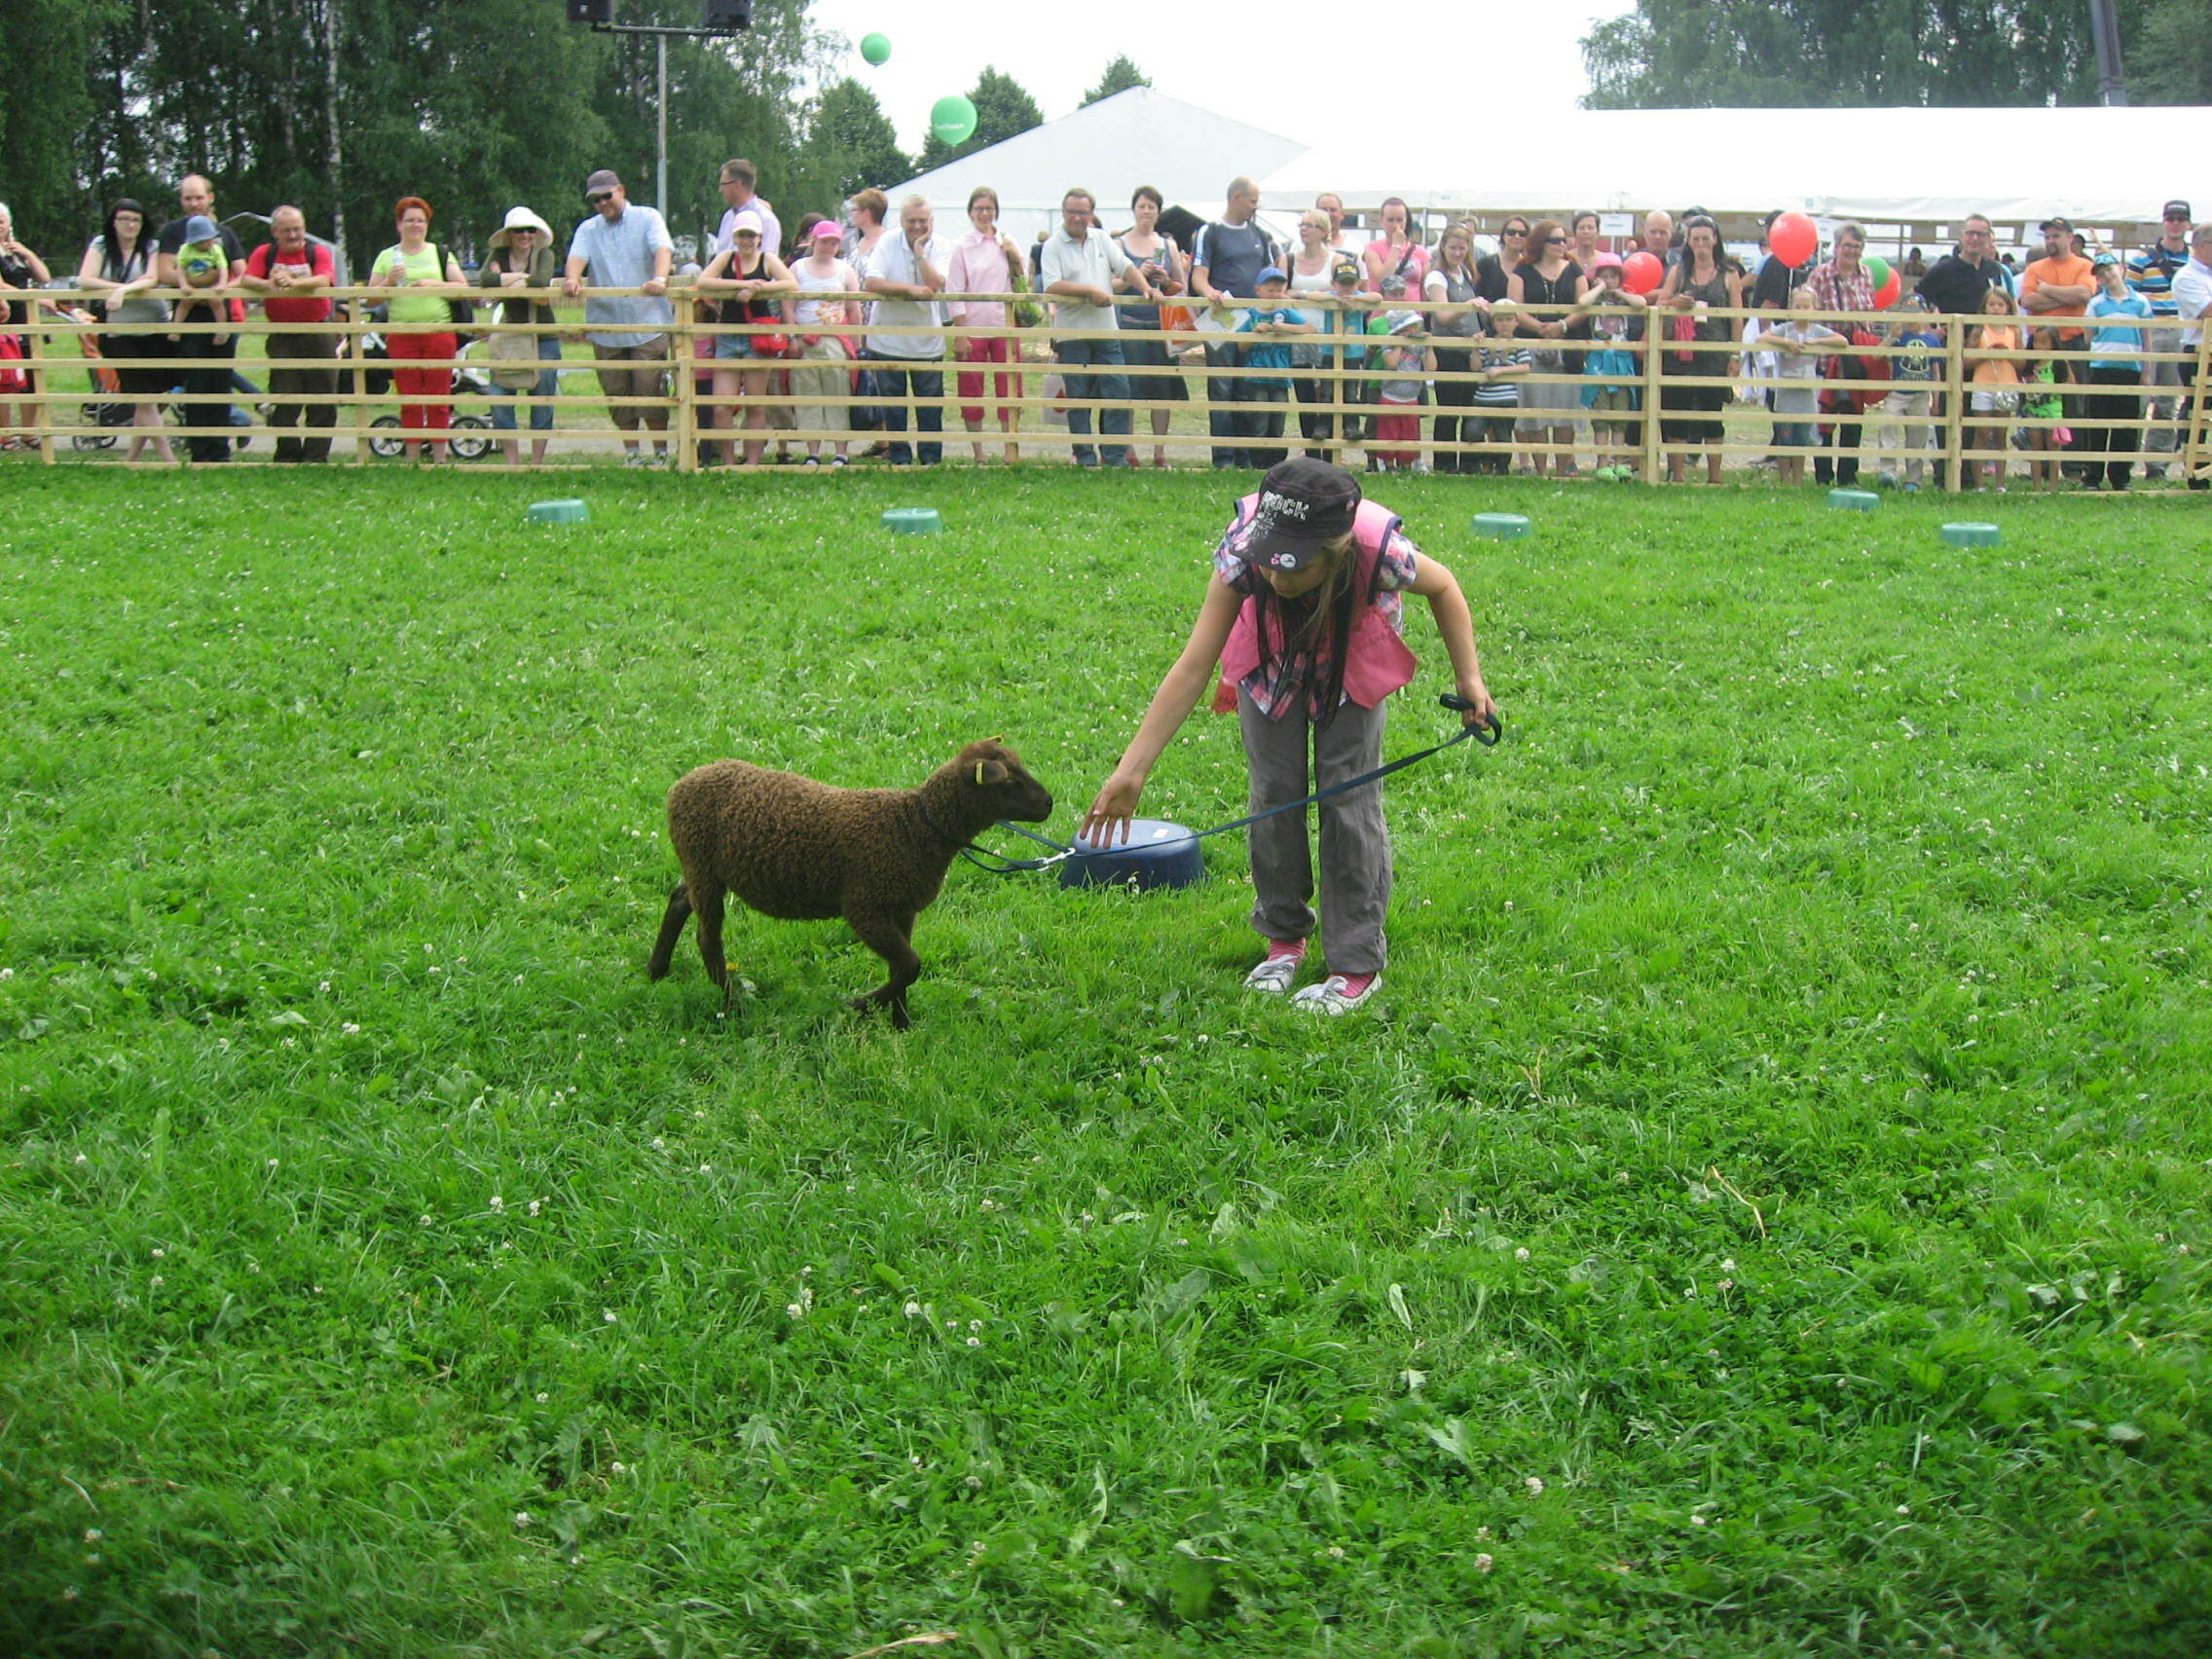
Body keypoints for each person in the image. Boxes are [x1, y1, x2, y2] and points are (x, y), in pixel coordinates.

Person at [1082, 459, 1498, 1015]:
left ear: (1336, 551)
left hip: (1352, 665)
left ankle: (1355, 963)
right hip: (1270, 662)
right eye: (1270, 563)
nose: (1277, 578)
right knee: (1274, 793)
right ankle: (1284, 939)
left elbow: (1444, 586)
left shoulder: (1379, 552)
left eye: (1295, 567)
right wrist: (1131, 770)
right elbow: (1194, 664)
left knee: (1346, 798)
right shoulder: (1242, 552)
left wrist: (1470, 680)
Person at [562, 168, 675, 466]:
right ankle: (632, 454)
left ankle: (662, 453)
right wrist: (572, 279)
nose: (602, 203)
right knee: (616, 391)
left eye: (606, 196)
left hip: (648, 322)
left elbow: (662, 248)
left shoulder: (648, 218)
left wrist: (660, 278)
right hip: (606, 325)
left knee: (649, 389)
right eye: (595, 200)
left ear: (621, 191)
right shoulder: (588, 229)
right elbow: (576, 258)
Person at [1040, 186, 1156, 469]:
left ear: (1091, 214)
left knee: (1118, 392)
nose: (1076, 218)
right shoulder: (1052, 245)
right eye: (1071, 212)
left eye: (1082, 212)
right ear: (1063, 212)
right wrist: (1090, 292)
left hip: (1106, 332)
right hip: (1072, 335)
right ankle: (1085, 457)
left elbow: (1126, 266)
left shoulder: (1102, 239)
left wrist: (1146, 288)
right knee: (1078, 398)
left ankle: (1114, 457)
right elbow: (1052, 284)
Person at [1189, 176, 1279, 468]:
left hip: (1253, 318)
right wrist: (1209, 292)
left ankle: (1246, 455)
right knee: (1222, 386)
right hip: (1221, 317)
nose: (1256, 206)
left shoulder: (1260, 235)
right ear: (1236, 197)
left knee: (1248, 385)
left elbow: (1270, 273)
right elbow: (1198, 273)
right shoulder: (1210, 231)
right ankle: (1224, 456)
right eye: (1253, 200)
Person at [156, 175, 246, 461]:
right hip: (189, 318)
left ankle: (220, 450)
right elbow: (165, 271)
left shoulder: (224, 233)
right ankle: (199, 449)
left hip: (221, 316)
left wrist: (218, 289)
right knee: (196, 382)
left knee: (219, 382)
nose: (194, 204)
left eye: (198, 197)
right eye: (187, 198)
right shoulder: (173, 232)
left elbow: (241, 272)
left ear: (211, 197)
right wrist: (200, 286)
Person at [370, 197, 467, 462]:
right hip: (402, 336)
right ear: (399, 224)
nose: (416, 225)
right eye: (410, 220)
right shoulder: (387, 256)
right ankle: (412, 457)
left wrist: (433, 284)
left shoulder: (440, 253)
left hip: (438, 333)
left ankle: (439, 457)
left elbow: (462, 289)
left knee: (439, 397)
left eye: (421, 220)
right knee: (409, 397)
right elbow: (370, 298)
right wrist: (389, 281)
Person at [76, 201, 173, 463]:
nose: (130, 225)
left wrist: (122, 291)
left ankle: (132, 459)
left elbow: (151, 279)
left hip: (154, 328)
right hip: (119, 332)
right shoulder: (100, 245)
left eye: (136, 220)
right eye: (124, 219)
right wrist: (119, 286)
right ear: (114, 221)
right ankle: (169, 460)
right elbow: (85, 279)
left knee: (148, 398)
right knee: (144, 399)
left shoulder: (151, 246)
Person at [239, 204, 337, 462]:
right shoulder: (265, 253)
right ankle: (287, 453)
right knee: (284, 395)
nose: (293, 236)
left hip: (318, 331)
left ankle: (316, 456)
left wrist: (294, 284)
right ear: (275, 231)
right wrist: (267, 284)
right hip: (282, 334)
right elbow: (247, 280)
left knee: (323, 396)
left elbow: (323, 280)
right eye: (287, 231)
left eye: (298, 229)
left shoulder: (317, 252)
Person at [860, 194, 950, 467]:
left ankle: (930, 460)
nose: (917, 226)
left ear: (931, 221)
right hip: (887, 340)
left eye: (923, 221)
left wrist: (920, 252)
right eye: (912, 221)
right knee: (893, 405)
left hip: (927, 341)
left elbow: (935, 284)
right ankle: (899, 458)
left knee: (930, 406)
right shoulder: (887, 241)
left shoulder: (943, 244)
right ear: (901, 220)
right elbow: (872, 282)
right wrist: (911, 291)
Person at [697, 221, 795, 466]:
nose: (747, 240)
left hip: (757, 337)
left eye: (751, 235)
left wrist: (759, 288)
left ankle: (752, 463)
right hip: (728, 335)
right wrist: (742, 285)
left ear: (759, 237)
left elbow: (791, 283)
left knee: (755, 404)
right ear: (735, 237)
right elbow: (704, 281)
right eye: (742, 235)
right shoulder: (726, 258)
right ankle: (729, 463)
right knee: (722, 405)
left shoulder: (767, 259)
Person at [1654, 215, 1741, 485]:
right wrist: (1675, 301)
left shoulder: (1729, 274)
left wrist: (1735, 354)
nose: (1701, 244)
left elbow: (1737, 317)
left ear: (1715, 239)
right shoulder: (1678, 271)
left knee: (1712, 414)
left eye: (1706, 238)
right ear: (1688, 242)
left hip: (1714, 355)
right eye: (1696, 239)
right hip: (1680, 354)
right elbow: (1659, 303)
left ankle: (1715, 477)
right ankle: (1677, 475)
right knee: (1677, 414)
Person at [945, 185, 1024, 465]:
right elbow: (953, 290)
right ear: (970, 212)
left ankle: (1009, 449)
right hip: (973, 326)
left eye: (989, 208)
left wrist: (1014, 256)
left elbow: (1021, 279)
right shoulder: (961, 246)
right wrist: (960, 332)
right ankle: (978, 452)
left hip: (1004, 325)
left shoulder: (1006, 240)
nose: (984, 213)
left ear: (996, 211)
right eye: (979, 208)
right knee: (971, 388)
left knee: (1010, 388)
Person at [477, 205, 562, 465]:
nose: (525, 235)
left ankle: (536, 463)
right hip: (510, 333)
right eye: (518, 231)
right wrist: (522, 278)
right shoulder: (498, 253)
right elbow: (484, 279)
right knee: (500, 397)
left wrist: (505, 281)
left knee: (542, 397)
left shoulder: (544, 254)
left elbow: (541, 281)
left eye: (529, 230)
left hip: (543, 335)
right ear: (509, 235)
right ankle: (512, 463)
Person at [1116, 185, 1188, 469]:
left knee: (1162, 392)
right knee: (1128, 390)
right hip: (1129, 325)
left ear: (1159, 212)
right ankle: (1129, 451)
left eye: (1152, 207)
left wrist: (1164, 280)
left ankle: (1160, 452)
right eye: (1142, 206)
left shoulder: (1168, 245)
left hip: (1162, 327)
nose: (1146, 212)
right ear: (1133, 209)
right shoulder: (1119, 244)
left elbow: (1180, 286)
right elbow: (1112, 285)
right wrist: (1137, 277)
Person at [1508, 219, 1586, 478]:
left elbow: (1582, 306)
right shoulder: (1522, 271)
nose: (1561, 245)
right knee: (1536, 411)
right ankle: (1541, 471)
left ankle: (1562, 470)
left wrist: (1562, 326)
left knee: (1565, 412)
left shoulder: (1574, 270)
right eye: (1555, 240)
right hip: (1532, 348)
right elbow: (1515, 308)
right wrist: (1541, 328)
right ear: (1541, 242)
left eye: (1564, 239)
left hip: (1568, 349)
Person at [2021, 215, 2095, 475]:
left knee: (2074, 401)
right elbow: (2028, 301)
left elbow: (2085, 295)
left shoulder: (2084, 265)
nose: (2051, 241)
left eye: (2056, 236)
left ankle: (2073, 466)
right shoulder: (2035, 267)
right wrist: (2067, 299)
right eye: (2047, 236)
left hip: (2073, 341)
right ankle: (2040, 467)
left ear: (2070, 238)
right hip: (2040, 343)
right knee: (2038, 401)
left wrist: (2049, 289)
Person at [1804, 223, 1876, 485]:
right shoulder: (1820, 275)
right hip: (1826, 357)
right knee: (1824, 417)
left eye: (1856, 246)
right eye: (1847, 245)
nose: (1851, 251)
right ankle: (1823, 475)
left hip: (1855, 359)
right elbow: (1807, 314)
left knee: (1853, 417)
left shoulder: (1867, 274)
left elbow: (1870, 315)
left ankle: (1848, 474)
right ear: (1836, 246)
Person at [2127, 200, 2193, 478]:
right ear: (2163, 221)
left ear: (2188, 223)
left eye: (2181, 218)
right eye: (2171, 217)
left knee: (2166, 404)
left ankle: (2157, 466)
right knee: (2139, 402)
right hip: (2149, 332)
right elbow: (2128, 297)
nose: (2175, 223)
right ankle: (2125, 464)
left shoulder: (2197, 261)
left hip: (2181, 331)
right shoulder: (2142, 259)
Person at [788, 220, 861, 464]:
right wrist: (792, 337)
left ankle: (841, 451)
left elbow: (854, 308)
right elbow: (788, 306)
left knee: (838, 394)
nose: (829, 246)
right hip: (806, 340)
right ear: (814, 241)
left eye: (834, 242)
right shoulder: (797, 269)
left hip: (836, 340)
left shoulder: (845, 270)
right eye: (825, 241)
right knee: (808, 395)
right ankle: (813, 452)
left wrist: (856, 343)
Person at [2079, 252, 2152, 491]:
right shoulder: (2096, 304)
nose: (2106, 276)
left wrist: (2146, 370)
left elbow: (2146, 338)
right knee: (2097, 424)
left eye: (2109, 270)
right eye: (2100, 275)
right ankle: (2093, 477)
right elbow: (2088, 335)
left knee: (2126, 426)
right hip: (2101, 368)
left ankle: (2121, 477)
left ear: (2120, 269)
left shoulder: (2140, 301)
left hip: (2130, 368)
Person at [1758, 285, 1845, 485]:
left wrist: (1816, 343)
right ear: (1791, 307)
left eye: (1806, 306)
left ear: (1814, 308)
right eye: (1798, 306)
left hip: (1806, 394)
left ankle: (1797, 480)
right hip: (1785, 393)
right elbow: (1762, 337)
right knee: (1785, 438)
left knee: (1801, 439)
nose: (1802, 310)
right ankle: (1784, 480)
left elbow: (1842, 341)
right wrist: (1785, 342)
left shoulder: (1816, 330)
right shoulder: (1785, 329)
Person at [1572, 257, 1644, 480]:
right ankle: (1602, 463)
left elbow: (1641, 303)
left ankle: (1619, 462)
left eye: (1614, 276)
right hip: (1599, 362)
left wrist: (1619, 292)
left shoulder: (1626, 297)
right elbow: (1582, 302)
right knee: (1601, 412)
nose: (1609, 280)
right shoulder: (1594, 298)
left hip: (1622, 361)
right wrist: (1601, 287)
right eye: (1604, 275)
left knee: (1620, 412)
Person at [1234, 266, 1310, 470]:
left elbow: (1309, 328)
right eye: (1270, 289)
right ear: (1258, 290)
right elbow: (1241, 346)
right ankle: (1257, 462)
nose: (1274, 294)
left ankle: (1275, 464)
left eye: (1278, 290)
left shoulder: (1285, 313)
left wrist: (1283, 328)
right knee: (1259, 419)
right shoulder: (1250, 314)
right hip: (1256, 374)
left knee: (1278, 419)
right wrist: (1254, 333)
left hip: (1281, 374)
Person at [1422, 224, 1483, 474]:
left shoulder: (1465, 272)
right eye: (1453, 247)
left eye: (1462, 247)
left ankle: (1469, 463)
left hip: (1470, 347)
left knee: (1470, 407)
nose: (1457, 252)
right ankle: (1445, 463)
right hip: (1448, 348)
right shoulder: (1436, 277)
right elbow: (1443, 315)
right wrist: (1469, 306)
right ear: (1443, 248)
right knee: (1449, 409)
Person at [0, 202, 54, 451]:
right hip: (5, 322)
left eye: (2, 221)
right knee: (6, 379)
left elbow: (44, 277)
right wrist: (32, 295)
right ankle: (5, 435)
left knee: (30, 377)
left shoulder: (16, 252)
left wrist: (26, 253)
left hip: (27, 321)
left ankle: (30, 433)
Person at [1875, 295, 1942, 491]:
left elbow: (1936, 372)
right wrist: (1892, 337)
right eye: (1907, 314)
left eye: (1915, 314)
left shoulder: (1932, 340)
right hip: (1898, 392)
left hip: (1921, 395)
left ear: (1925, 314)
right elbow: (1877, 354)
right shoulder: (1899, 337)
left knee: (1917, 437)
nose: (1911, 318)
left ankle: (1914, 479)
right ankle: (1888, 472)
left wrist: (1936, 398)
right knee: (1887, 425)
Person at [1962, 284, 2022, 492]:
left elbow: (2023, 364)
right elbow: (1966, 361)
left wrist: (2008, 354)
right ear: (1985, 307)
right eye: (1992, 304)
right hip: (1982, 385)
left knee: (2000, 435)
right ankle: (1979, 484)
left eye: (2000, 305)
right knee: (1981, 433)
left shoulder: (2013, 331)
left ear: (2008, 307)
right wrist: (1986, 354)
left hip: (2007, 385)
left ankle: (2000, 484)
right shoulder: (1980, 330)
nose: (1996, 309)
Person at [2169, 222, 2212, 490]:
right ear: (2204, 246)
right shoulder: (2187, 276)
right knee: (2199, 411)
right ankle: (2195, 472)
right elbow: (2208, 310)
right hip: (2200, 352)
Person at [1466, 300, 1530, 475]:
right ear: (1493, 322)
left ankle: (1501, 467)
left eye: (1509, 319)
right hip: (1483, 398)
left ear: (1517, 322)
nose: (1505, 324)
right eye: (1500, 319)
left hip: (1506, 398)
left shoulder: (1518, 343)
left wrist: (1501, 371)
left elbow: (1525, 366)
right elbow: (1475, 367)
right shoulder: (1487, 342)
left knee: (1503, 437)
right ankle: (1483, 461)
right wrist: (1475, 348)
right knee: (1472, 432)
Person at [1371, 309, 1432, 473]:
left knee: (1409, 433)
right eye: (1408, 327)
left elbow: (1431, 367)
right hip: (1390, 396)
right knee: (1388, 432)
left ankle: (1406, 465)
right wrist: (1399, 343)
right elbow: (1391, 363)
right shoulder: (1389, 343)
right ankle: (1389, 465)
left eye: (1414, 327)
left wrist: (1429, 347)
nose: (1413, 331)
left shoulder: (1418, 347)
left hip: (1411, 398)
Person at [2019, 325, 2064, 490]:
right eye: (2037, 342)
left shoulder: (2058, 363)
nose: (2040, 346)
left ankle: (2053, 485)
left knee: (2053, 448)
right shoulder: (2031, 363)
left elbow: (2070, 384)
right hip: (2033, 409)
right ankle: (2036, 486)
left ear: (2054, 343)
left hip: (2053, 410)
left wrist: (2050, 387)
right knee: (2035, 447)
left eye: (2044, 342)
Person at [713, 159, 782, 265]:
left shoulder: (766, 220)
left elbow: (768, 266)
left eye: (723, 184)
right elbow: (720, 259)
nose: (720, 190)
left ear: (738, 184)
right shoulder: (728, 217)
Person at [1362, 198, 1428, 298]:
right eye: (1390, 220)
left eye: (1399, 220)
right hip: (1384, 310)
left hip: (1413, 311)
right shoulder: (1372, 248)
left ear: (1406, 220)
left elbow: (1425, 287)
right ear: (1381, 221)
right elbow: (1383, 278)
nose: (1395, 225)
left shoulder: (1421, 252)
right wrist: (1396, 246)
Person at [1476, 218, 1528, 303]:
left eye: (1522, 234)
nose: (1517, 236)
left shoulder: (1531, 267)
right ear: (1503, 235)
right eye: (1511, 232)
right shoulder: (1485, 264)